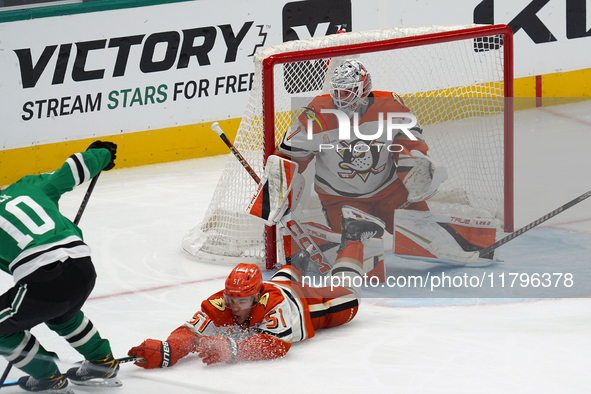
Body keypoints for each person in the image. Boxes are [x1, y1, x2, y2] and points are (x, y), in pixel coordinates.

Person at [127, 206, 385, 367]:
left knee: (350, 297)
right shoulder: (224, 301)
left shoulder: (274, 305)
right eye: (231, 299)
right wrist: (172, 348)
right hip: (276, 284)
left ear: (256, 296)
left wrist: (234, 349)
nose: (233, 306)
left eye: (241, 301)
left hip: (301, 303)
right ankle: (297, 263)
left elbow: (277, 344)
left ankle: (352, 237)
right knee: (282, 278)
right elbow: (191, 330)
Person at [0, 141, 121, 392]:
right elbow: (71, 171)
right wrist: (100, 155)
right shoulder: (27, 187)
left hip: (45, 276)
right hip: (82, 267)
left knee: (10, 325)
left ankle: (48, 377)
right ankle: (102, 362)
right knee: (61, 314)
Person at [275, 59, 447, 235]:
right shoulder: (316, 115)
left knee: (427, 232)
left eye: (348, 92)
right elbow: (288, 157)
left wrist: (413, 158)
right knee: (357, 248)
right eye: (338, 91)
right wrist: (272, 193)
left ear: (364, 89)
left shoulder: (389, 105)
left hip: (389, 190)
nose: (342, 98)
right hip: (341, 199)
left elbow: (409, 135)